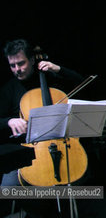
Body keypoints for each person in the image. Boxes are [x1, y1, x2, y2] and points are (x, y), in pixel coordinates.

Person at [0, 39, 84, 187]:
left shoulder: (50, 80)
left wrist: (58, 69)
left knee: (82, 178)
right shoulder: (9, 89)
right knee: (8, 188)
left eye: (21, 63)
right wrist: (9, 121)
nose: (16, 69)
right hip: (26, 150)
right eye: (12, 65)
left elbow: (81, 83)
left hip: (61, 145)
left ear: (32, 60)